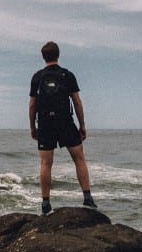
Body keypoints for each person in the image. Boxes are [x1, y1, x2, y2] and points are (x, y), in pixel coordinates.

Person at [28, 41, 95, 215]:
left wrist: (33, 127)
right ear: (58, 55)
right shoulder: (67, 75)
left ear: (43, 57)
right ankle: (87, 197)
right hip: (65, 121)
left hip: (45, 123)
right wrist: (82, 125)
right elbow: (77, 103)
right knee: (79, 158)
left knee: (45, 163)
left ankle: (45, 203)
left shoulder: (37, 77)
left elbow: (32, 104)